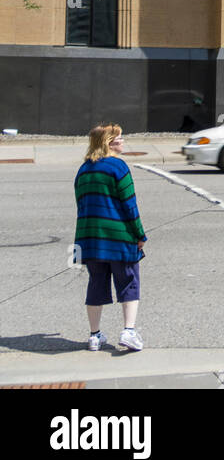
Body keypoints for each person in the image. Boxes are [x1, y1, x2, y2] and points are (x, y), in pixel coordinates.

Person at [73, 123, 147, 352]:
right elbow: (129, 204)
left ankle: (94, 336)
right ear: (109, 143)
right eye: (120, 139)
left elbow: (81, 204)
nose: (123, 142)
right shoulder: (118, 167)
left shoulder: (83, 170)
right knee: (128, 281)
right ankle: (129, 331)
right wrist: (139, 234)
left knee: (96, 283)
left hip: (90, 239)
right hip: (118, 236)